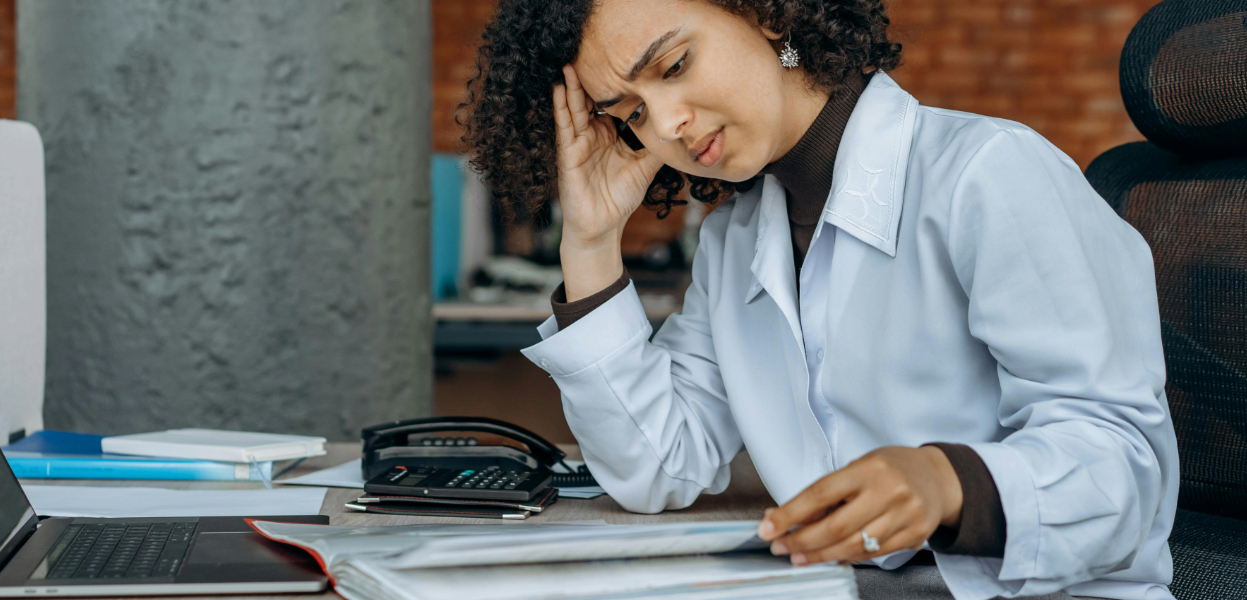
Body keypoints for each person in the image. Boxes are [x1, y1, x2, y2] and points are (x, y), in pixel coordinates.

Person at [460, 1, 1178, 599]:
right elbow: (660, 467)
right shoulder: (734, 241)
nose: (668, 124)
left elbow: (1127, 465)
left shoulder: (988, 176)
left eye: (675, 66)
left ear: (770, 15)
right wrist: (589, 245)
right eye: (631, 113)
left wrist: (946, 481)